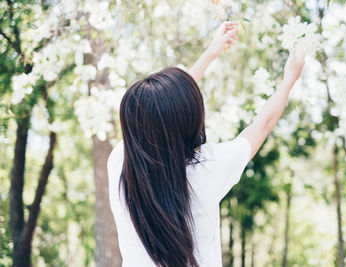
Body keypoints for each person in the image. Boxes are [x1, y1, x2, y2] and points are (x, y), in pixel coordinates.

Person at [107, 21, 305, 267]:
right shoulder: (207, 170)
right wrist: (289, 79)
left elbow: (159, 113)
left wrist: (211, 53)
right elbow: (263, 124)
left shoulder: (119, 162)